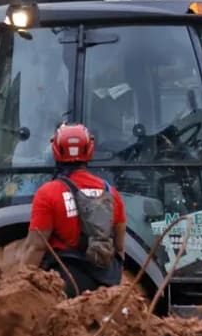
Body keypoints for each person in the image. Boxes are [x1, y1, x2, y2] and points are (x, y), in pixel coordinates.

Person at [21, 123, 127, 298]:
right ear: (89, 150)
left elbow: (36, 247)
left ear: (55, 151)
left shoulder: (48, 193)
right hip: (106, 283)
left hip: (65, 283)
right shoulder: (111, 193)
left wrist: (21, 287)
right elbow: (120, 247)